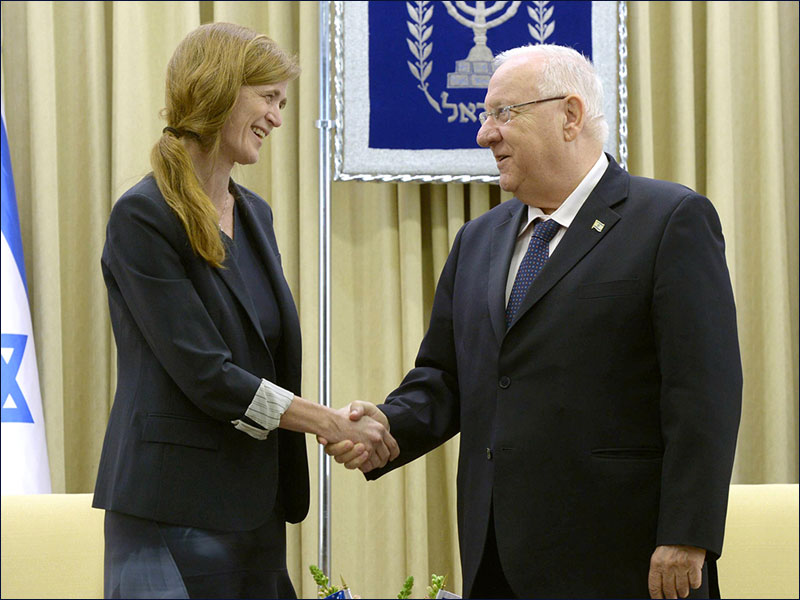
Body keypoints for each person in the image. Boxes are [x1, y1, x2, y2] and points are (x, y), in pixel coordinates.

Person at [323, 44, 742, 599]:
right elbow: (445, 378)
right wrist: (385, 429)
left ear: (569, 115)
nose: (484, 134)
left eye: (503, 113)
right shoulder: (478, 240)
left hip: (625, 557)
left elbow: (704, 391)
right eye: (484, 115)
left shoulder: (669, 220)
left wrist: (687, 534)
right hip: (497, 556)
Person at [93, 22, 397, 600]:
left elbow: (265, 352)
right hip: (171, 513)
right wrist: (327, 422)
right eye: (268, 98)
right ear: (220, 89)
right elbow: (206, 373)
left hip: (255, 511)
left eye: (282, 103)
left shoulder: (255, 213)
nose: (277, 118)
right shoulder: (143, 216)